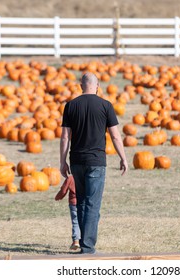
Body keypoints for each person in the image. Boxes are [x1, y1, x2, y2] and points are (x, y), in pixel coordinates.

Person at [60, 72, 128, 254]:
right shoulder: (106, 105)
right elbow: (115, 135)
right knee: (92, 204)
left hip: (76, 160)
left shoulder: (71, 106)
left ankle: (83, 242)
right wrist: (123, 157)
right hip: (97, 161)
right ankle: (88, 247)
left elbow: (65, 136)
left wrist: (62, 161)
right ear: (97, 86)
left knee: (81, 202)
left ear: (81, 86)